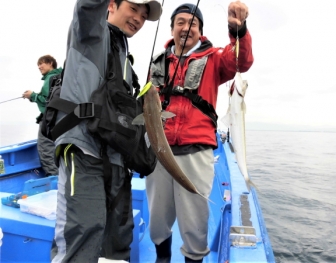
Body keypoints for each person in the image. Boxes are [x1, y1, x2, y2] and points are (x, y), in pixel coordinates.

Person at [51, 0, 162, 262]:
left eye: (144, 15)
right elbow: (87, 6)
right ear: (110, 5)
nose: (138, 18)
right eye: (134, 8)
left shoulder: (126, 59)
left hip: (117, 163)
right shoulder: (91, 33)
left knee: (118, 244)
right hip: (84, 152)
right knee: (82, 236)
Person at [146, 2, 253, 262]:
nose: (186, 27)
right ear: (171, 29)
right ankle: (162, 256)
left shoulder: (215, 58)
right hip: (158, 153)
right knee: (158, 219)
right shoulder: (157, 62)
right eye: (180, 22)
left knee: (194, 222)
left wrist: (237, 30)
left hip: (195, 152)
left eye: (193, 23)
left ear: (200, 30)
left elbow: (242, 61)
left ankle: (193, 257)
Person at [22, 55, 62, 176]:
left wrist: (32, 95)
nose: (39, 67)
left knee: (45, 149)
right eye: (38, 65)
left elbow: (47, 101)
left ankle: (54, 178)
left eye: (42, 63)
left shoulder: (50, 78)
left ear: (50, 63)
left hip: (49, 120)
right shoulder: (61, 76)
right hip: (61, 119)